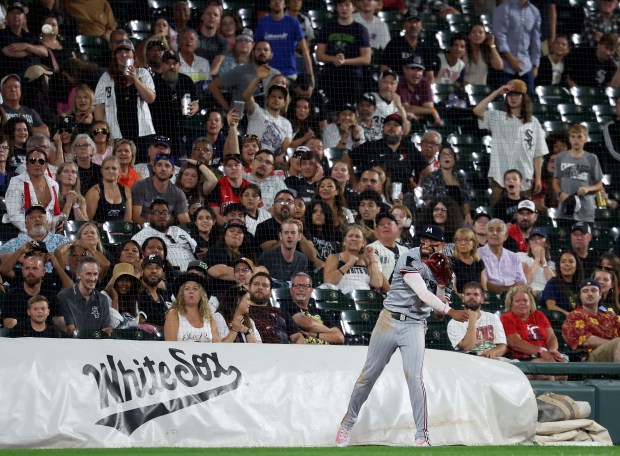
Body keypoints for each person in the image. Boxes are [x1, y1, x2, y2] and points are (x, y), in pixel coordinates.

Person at [336, 244, 468, 447]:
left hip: (414, 324)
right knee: (368, 375)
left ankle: (422, 435)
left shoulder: (446, 272)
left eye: (432, 241)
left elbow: (438, 312)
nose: (427, 244)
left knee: (415, 378)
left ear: (441, 245)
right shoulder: (409, 258)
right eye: (424, 239)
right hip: (388, 320)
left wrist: (442, 284)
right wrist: (452, 311)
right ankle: (348, 422)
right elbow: (423, 294)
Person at [473, 80, 548, 206]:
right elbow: (477, 110)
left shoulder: (533, 122)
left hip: (524, 174)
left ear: (523, 97)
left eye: (516, 95)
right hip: (499, 173)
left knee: (523, 213)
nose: (512, 98)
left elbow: (538, 153)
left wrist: (539, 178)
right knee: (496, 213)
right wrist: (497, 92)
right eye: (509, 95)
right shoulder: (497, 117)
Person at [93, 39, 156, 144]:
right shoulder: (106, 77)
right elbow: (99, 106)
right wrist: (103, 132)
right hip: (115, 133)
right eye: (119, 52)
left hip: (143, 133)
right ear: (115, 56)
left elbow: (150, 98)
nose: (123, 55)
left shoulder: (143, 73)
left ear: (133, 54)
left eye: (127, 51)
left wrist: (135, 79)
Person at [315, 0, 371, 109]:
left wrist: (344, 62)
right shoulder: (327, 28)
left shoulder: (360, 30)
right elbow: (319, 55)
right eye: (340, 5)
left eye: (347, 5)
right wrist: (333, 59)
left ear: (353, 7)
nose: (344, 8)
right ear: (336, 8)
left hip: (352, 80)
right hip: (330, 78)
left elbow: (366, 58)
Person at [500, 284, 567, 374]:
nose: (522, 303)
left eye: (525, 300)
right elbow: (515, 342)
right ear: (511, 304)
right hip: (522, 358)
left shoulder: (539, 315)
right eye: (517, 301)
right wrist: (541, 352)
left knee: (563, 368)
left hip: (545, 355)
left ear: (530, 303)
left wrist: (552, 350)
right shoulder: (507, 318)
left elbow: (551, 337)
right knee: (544, 368)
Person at [150, 50, 200, 155]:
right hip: (158, 132)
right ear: (162, 65)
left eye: (174, 63)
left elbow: (196, 101)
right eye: (167, 63)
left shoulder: (186, 80)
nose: (171, 66)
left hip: (180, 133)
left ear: (179, 65)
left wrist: (196, 106)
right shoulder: (153, 81)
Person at [553, 124, 604, 226]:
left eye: (579, 136)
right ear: (569, 139)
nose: (576, 140)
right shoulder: (560, 157)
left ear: (586, 138)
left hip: (586, 210)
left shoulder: (592, 158)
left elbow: (599, 185)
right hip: (565, 209)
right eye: (573, 136)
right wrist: (560, 193)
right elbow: (555, 181)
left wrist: (587, 189)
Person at [208, 40, 280, 111]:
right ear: (253, 53)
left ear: (271, 55)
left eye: (266, 50)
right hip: (242, 118)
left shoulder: (276, 74)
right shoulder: (240, 71)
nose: (262, 52)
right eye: (259, 49)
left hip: (267, 118)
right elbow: (213, 86)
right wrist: (227, 109)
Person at [3, 146, 62, 234]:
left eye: (41, 161)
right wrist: (35, 230)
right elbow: (14, 214)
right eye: (33, 160)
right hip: (25, 234)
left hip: (50, 234)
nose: (37, 164)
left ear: (46, 165)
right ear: (26, 164)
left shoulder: (54, 185)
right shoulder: (16, 182)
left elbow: (54, 214)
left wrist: (58, 223)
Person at [562, 279, 620, 362]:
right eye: (585, 291)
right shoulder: (574, 316)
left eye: (594, 290)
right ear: (580, 296)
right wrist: (614, 345)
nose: (589, 294)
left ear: (600, 295)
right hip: (590, 359)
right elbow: (586, 340)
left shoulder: (610, 316)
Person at [132, 199, 196, 272]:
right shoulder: (142, 236)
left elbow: (195, 249)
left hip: (196, 272)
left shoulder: (178, 230)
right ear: (149, 216)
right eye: (157, 213)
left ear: (169, 215)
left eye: (165, 213)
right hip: (170, 275)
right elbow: (135, 260)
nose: (161, 216)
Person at [255, 0, 313, 80]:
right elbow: (255, 50)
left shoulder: (293, 22)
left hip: (289, 73)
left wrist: (311, 75)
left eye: (280, 0)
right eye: (274, 0)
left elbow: (304, 50)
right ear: (269, 4)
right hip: (268, 74)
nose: (277, 2)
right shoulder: (262, 22)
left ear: (285, 4)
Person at [492, 0, 541, 93]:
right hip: (505, 67)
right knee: (504, 101)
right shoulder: (503, 8)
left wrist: (535, 65)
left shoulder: (534, 11)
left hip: (526, 67)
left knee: (529, 102)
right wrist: (510, 58)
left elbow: (536, 40)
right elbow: (499, 35)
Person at [447, 281, 507, 358]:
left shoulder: (492, 318)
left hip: (492, 361)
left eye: (476, 294)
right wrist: (472, 320)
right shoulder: (454, 323)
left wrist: (493, 352)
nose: (472, 297)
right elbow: (468, 348)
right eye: (468, 294)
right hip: (468, 363)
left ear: (482, 299)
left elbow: (502, 346)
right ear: (463, 299)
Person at [281, 272, 345, 344]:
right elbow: (308, 323)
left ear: (311, 291)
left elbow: (339, 337)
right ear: (291, 290)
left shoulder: (321, 312)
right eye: (297, 285)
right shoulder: (286, 306)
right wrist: (330, 333)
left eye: (305, 286)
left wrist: (314, 335)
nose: (301, 289)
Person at [58, 256, 111, 336]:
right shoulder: (64, 297)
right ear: (78, 275)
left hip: (96, 345)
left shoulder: (102, 299)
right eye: (88, 274)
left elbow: (106, 328)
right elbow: (70, 329)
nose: (93, 278)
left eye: (95, 274)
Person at [247, 271, 306, 344]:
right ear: (249, 288)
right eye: (256, 284)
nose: (260, 287)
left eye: (265, 285)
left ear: (270, 292)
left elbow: (298, 337)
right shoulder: (243, 311)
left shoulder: (281, 312)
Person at [243, 68, 293, 154]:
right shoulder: (256, 112)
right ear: (267, 98)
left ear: (284, 102)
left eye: (280, 97)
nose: (276, 99)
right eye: (273, 96)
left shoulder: (286, 124)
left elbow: (285, 148)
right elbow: (246, 96)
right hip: (252, 157)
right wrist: (258, 78)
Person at [131, 154, 191, 225]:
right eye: (159, 165)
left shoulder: (178, 193)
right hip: (144, 230)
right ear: (153, 168)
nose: (163, 169)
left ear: (173, 170)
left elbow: (185, 221)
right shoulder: (140, 186)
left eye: (167, 166)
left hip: (168, 232)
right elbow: (136, 217)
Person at [323, 224, 383, 293]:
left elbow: (377, 283)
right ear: (344, 241)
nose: (353, 239)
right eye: (350, 236)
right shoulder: (334, 257)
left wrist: (371, 257)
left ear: (363, 243)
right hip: (342, 300)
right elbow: (328, 282)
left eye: (357, 236)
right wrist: (348, 265)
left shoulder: (367, 260)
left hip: (365, 299)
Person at [422, 145, 473, 225]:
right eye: (444, 154)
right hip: (438, 219)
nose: (447, 157)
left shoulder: (460, 178)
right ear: (439, 159)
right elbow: (428, 200)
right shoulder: (433, 176)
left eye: (449, 154)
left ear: (454, 159)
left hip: (458, 219)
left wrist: (467, 215)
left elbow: (466, 199)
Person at [478, 218, 527, 293]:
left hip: (514, 296)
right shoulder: (478, 255)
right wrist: (509, 288)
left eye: (498, 230)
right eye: (491, 230)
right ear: (486, 235)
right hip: (490, 297)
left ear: (506, 236)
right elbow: (483, 284)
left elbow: (522, 283)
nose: (494, 233)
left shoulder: (514, 257)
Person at [0, 5, 48, 80]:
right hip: (15, 81)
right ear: (6, 18)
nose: (16, 15)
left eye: (19, 13)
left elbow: (45, 52)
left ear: (24, 18)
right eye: (12, 13)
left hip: (37, 82)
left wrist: (26, 46)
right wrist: (34, 51)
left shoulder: (31, 36)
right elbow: (8, 52)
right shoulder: (2, 34)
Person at [85, 156, 132, 224]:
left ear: (119, 171)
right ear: (101, 171)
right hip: (100, 232)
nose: (110, 171)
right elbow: (87, 220)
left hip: (121, 233)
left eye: (114, 168)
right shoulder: (94, 192)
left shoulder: (126, 191)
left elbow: (128, 220)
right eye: (107, 168)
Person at [369, 212, 408, 291]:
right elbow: (379, 276)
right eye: (381, 224)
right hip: (383, 295)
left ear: (397, 228)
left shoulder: (405, 250)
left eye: (389, 224)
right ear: (376, 230)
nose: (385, 226)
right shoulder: (372, 248)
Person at [541, 250, 583, 315]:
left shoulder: (581, 285)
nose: (567, 264)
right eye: (563, 261)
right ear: (559, 265)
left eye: (571, 261)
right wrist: (570, 316)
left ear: (576, 265)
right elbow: (551, 306)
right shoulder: (553, 283)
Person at [518, 227, 555, 296]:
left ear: (546, 243)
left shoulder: (552, 264)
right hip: (528, 295)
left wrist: (543, 261)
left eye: (540, 238)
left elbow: (555, 287)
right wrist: (537, 259)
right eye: (532, 239)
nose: (536, 241)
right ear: (529, 244)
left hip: (547, 298)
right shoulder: (521, 256)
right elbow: (525, 282)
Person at [452, 227, 487, 296]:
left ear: (473, 243)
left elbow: (484, 288)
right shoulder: (451, 262)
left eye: (467, 240)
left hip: (477, 299)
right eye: (459, 240)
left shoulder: (479, 262)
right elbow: (453, 289)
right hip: (459, 300)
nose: (462, 243)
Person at [196, 3, 228, 76]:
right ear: (202, 17)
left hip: (209, 81)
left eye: (215, 15)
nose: (212, 16)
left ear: (219, 20)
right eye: (209, 13)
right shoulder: (191, 36)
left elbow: (216, 66)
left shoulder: (223, 43)